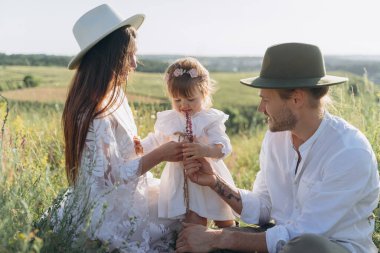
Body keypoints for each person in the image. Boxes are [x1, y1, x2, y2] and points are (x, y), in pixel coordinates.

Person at [176, 43, 380, 253]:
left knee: (304, 247)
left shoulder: (349, 152)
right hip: (282, 237)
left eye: (266, 99)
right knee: (207, 248)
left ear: (296, 99)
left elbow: (304, 233)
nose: (261, 109)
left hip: (330, 247)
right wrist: (215, 182)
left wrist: (218, 238)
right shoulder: (276, 138)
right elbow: (263, 207)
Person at [59, 4, 183, 252]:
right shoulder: (94, 112)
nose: (135, 63)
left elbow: (128, 152)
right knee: (182, 211)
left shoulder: (114, 95)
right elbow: (111, 178)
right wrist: (160, 155)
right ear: (109, 57)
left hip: (127, 194)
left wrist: (160, 139)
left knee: (182, 199)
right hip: (110, 210)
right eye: (129, 55)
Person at [142, 57, 236, 228]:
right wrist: (141, 146)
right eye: (177, 100)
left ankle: (230, 240)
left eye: (191, 100)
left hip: (208, 174)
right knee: (193, 219)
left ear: (204, 93)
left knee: (223, 216)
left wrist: (205, 150)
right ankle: (196, 239)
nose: (184, 105)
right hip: (181, 177)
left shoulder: (208, 119)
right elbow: (156, 139)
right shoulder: (171, 120)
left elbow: (223, 146)